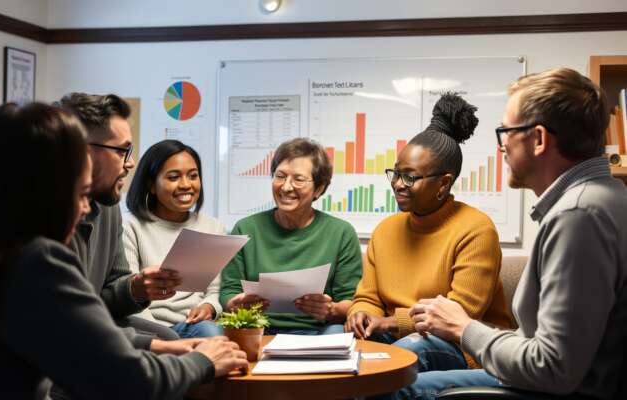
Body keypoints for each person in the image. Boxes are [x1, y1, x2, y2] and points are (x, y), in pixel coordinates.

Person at [0, 103, 248, 399]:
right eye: (80, 193)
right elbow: (129, 379)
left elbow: (74, 334)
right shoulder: (33, 261)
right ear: (40, 190)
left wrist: (154, 344)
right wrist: (203, 361)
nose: (84, 209)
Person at [403, 68, 627, 399]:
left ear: (538, 139)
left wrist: (463, 328)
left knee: (401, 389)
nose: (501, 147)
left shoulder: (579, 216)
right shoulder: (609, 196)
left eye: (506, 132)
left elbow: (552, 367)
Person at [345, 93, 512, 381]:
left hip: (460, 346)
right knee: (339, 337)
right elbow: (367, 297)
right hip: (395, 335)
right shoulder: (386, 230)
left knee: (413, 349)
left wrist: (386, 323)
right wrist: (360, 314)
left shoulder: (476, 230)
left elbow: (456, 315)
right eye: (395, 173)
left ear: (443, 183)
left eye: (410, 177)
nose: (398, 184)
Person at [56, 93, 180, 340]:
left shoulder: (109, 207)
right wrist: (152, 348)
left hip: (89, 325)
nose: (131, 163)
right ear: (84, 151)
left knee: (168, 337)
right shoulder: (46, 218)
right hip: (66, 337)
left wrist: (136, 288)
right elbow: (67, 322)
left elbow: (107, 296)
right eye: (122, 150)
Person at [220, 138, 362, 335]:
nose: (286, 187)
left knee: (337, 332)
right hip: (256, 329)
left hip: (316, 331)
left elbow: (352, 301)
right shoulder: (245, 228)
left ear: (319, 189)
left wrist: (331, 310)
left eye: (298, 179)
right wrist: (234, 304)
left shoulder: (341, 233)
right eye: (280, 176)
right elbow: (228, 291)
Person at [123, 139, 223, 338]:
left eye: (193, 176)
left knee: (211, 331)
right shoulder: (129, 226)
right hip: (148, 329)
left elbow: (215, 290)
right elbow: (128, 293)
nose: (186, 185)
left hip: (196, 326)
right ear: (151, 185)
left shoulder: (213, 227)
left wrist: (209, 306)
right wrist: (165, 337)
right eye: (174, 177)